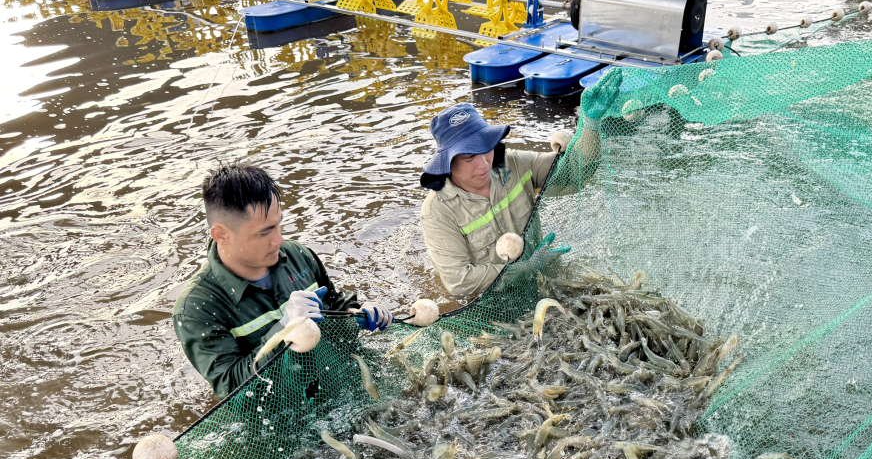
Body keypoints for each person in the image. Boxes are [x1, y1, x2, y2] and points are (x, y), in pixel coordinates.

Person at [173, 163, 393, 398]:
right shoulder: (196, 308)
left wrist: (359, 314)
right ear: (221, 235)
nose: (278, 240)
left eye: (278, 224)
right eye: (265, 232)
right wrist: (284, 329)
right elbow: (232, 388)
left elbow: (335, 305)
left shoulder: (298, 256)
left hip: (341, 385)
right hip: (285, 414)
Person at [419, 71, 622, 299]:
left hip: (544, 283)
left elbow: (575, 174)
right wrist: (525, 269)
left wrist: (591, 126)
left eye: (487, 148)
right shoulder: (437, 212)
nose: (483, 163)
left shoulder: (515, 164)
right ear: (448, 163)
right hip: (494, 302)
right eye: (469, 158)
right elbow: (459, 282)